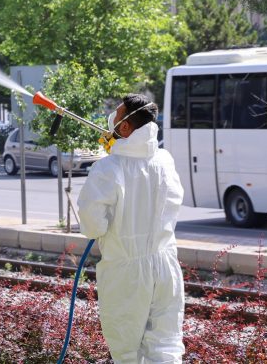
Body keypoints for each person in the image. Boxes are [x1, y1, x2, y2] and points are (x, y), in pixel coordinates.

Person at [78, 94, 185, 363]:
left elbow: (92, 226)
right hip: (165, 266)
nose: (111, 119)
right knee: (166, 345)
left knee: (127, 351)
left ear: (125, 127)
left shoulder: (107, 169)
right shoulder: (164, 161)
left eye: (115, 114)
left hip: (126, 274)